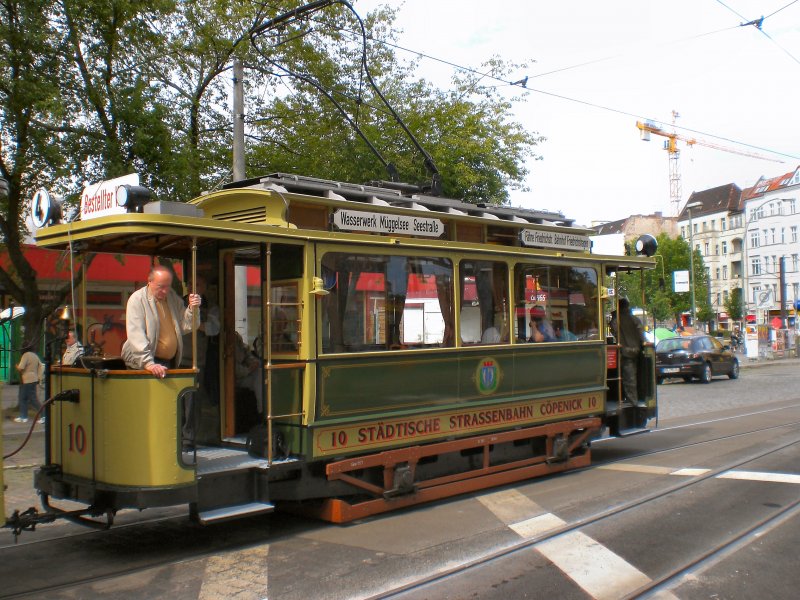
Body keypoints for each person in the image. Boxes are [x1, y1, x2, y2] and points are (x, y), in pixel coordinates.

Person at [121, 264, 201, 378]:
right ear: (149, 281)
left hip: (167, 363)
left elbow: (186, 326)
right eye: (160, 286)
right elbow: (136, 335)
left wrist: (193, 308)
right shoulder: (137, 299)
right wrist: (149, 364)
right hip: (143, 365)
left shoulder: (172, 297)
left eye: (167, 286)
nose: (165, 291)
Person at [610, 297, 646, 404]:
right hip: (636, 350)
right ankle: (634, 399)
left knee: (629, 377)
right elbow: (641, 334)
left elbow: (614, 331)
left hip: (625, 351)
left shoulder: (617, 320)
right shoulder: (635, 319)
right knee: (632, 376)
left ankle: (632, 401)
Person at [15, 345, 43, 424]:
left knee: (30, 399)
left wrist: (17, 367)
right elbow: (41, 366)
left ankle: (43, 415)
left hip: (27, 379)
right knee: (26, 398)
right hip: (34, 378)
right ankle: (23, 416)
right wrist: (39, 377)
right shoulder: (35, 355)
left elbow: (21, 367)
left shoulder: (25, 355)